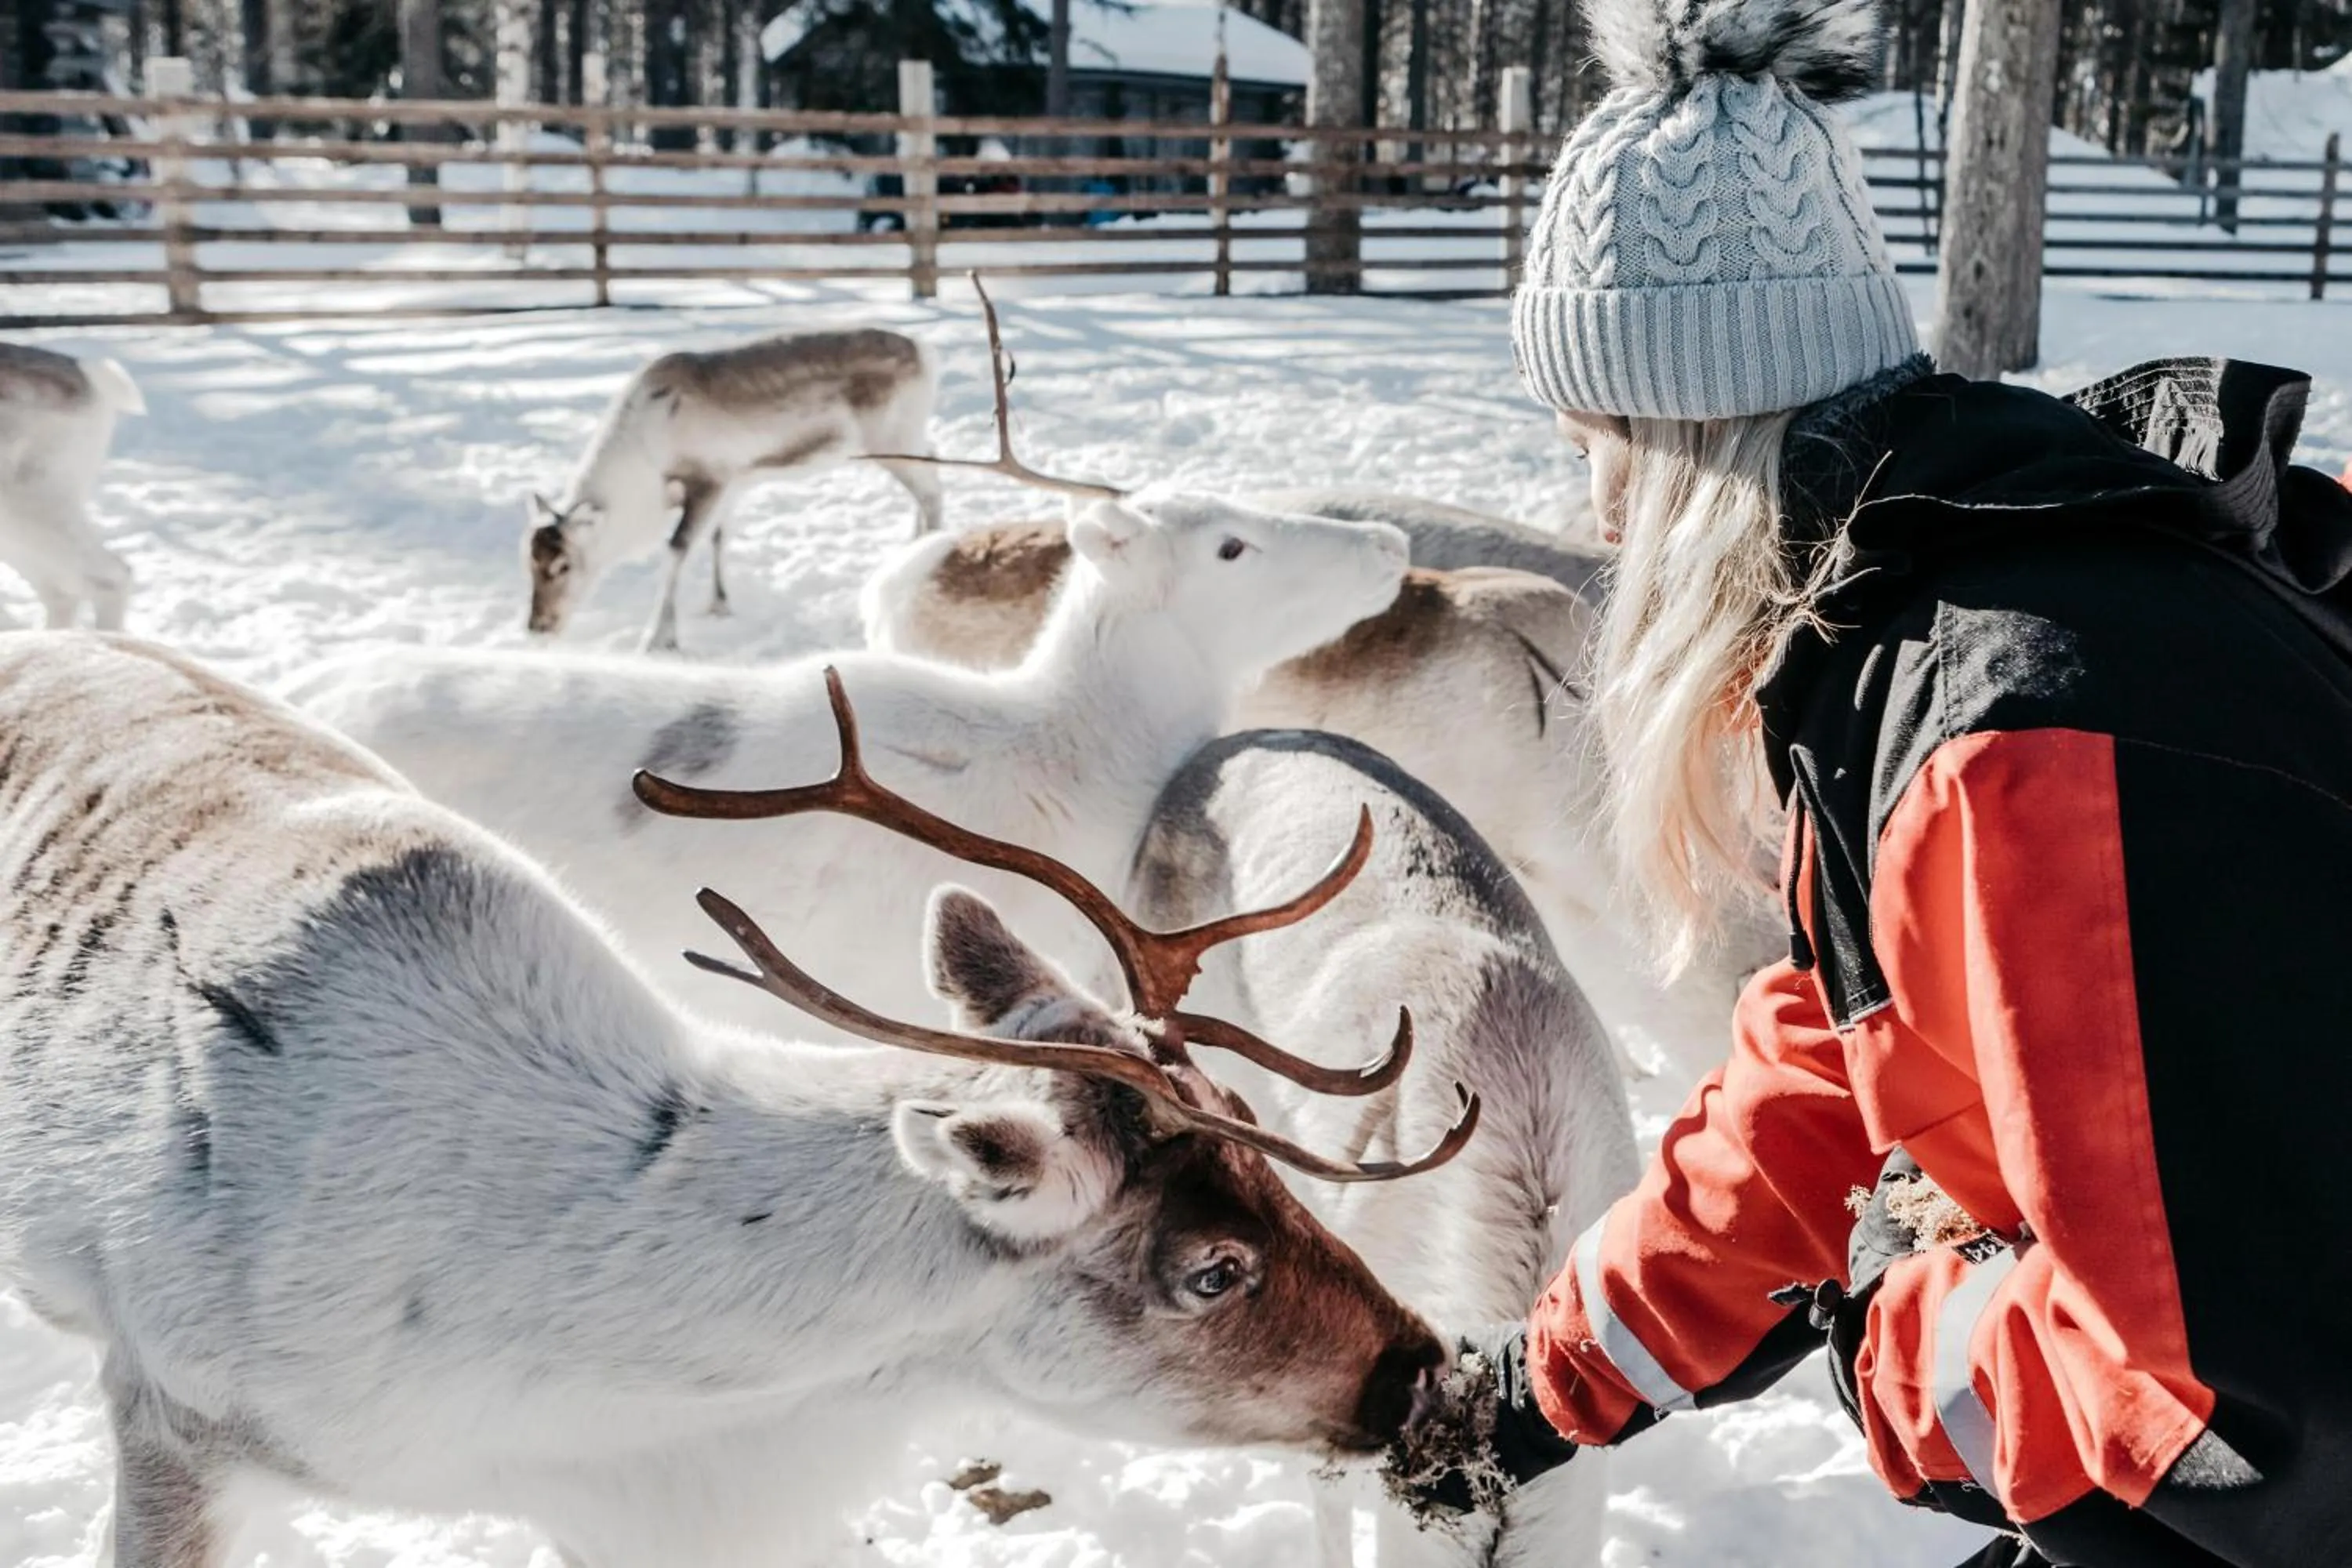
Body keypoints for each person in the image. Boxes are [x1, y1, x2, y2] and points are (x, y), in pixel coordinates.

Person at [1416, 1, 2352, 1564]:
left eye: (1594, 445)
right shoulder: (1908, 630)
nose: (1593, 514)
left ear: (1685, 442)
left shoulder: (2018, 738)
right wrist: (1546, 1381)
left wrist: (1894, 1331)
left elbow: (2211, 1389)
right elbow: (1839, 1074)